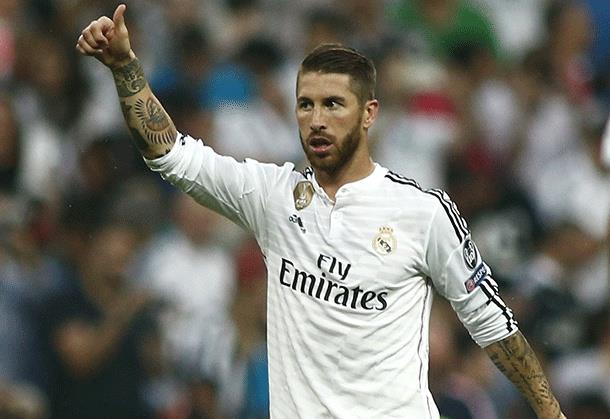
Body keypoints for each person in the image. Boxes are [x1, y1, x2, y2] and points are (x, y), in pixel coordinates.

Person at [75, 4, 566, 418]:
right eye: (305, 105)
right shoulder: (272, 197)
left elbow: (492, 324)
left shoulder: (422, 212)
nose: (316, 120)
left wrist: (551, 413)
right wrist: (124, 68)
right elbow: (170, 154)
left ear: (369, 113)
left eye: (333, 104)